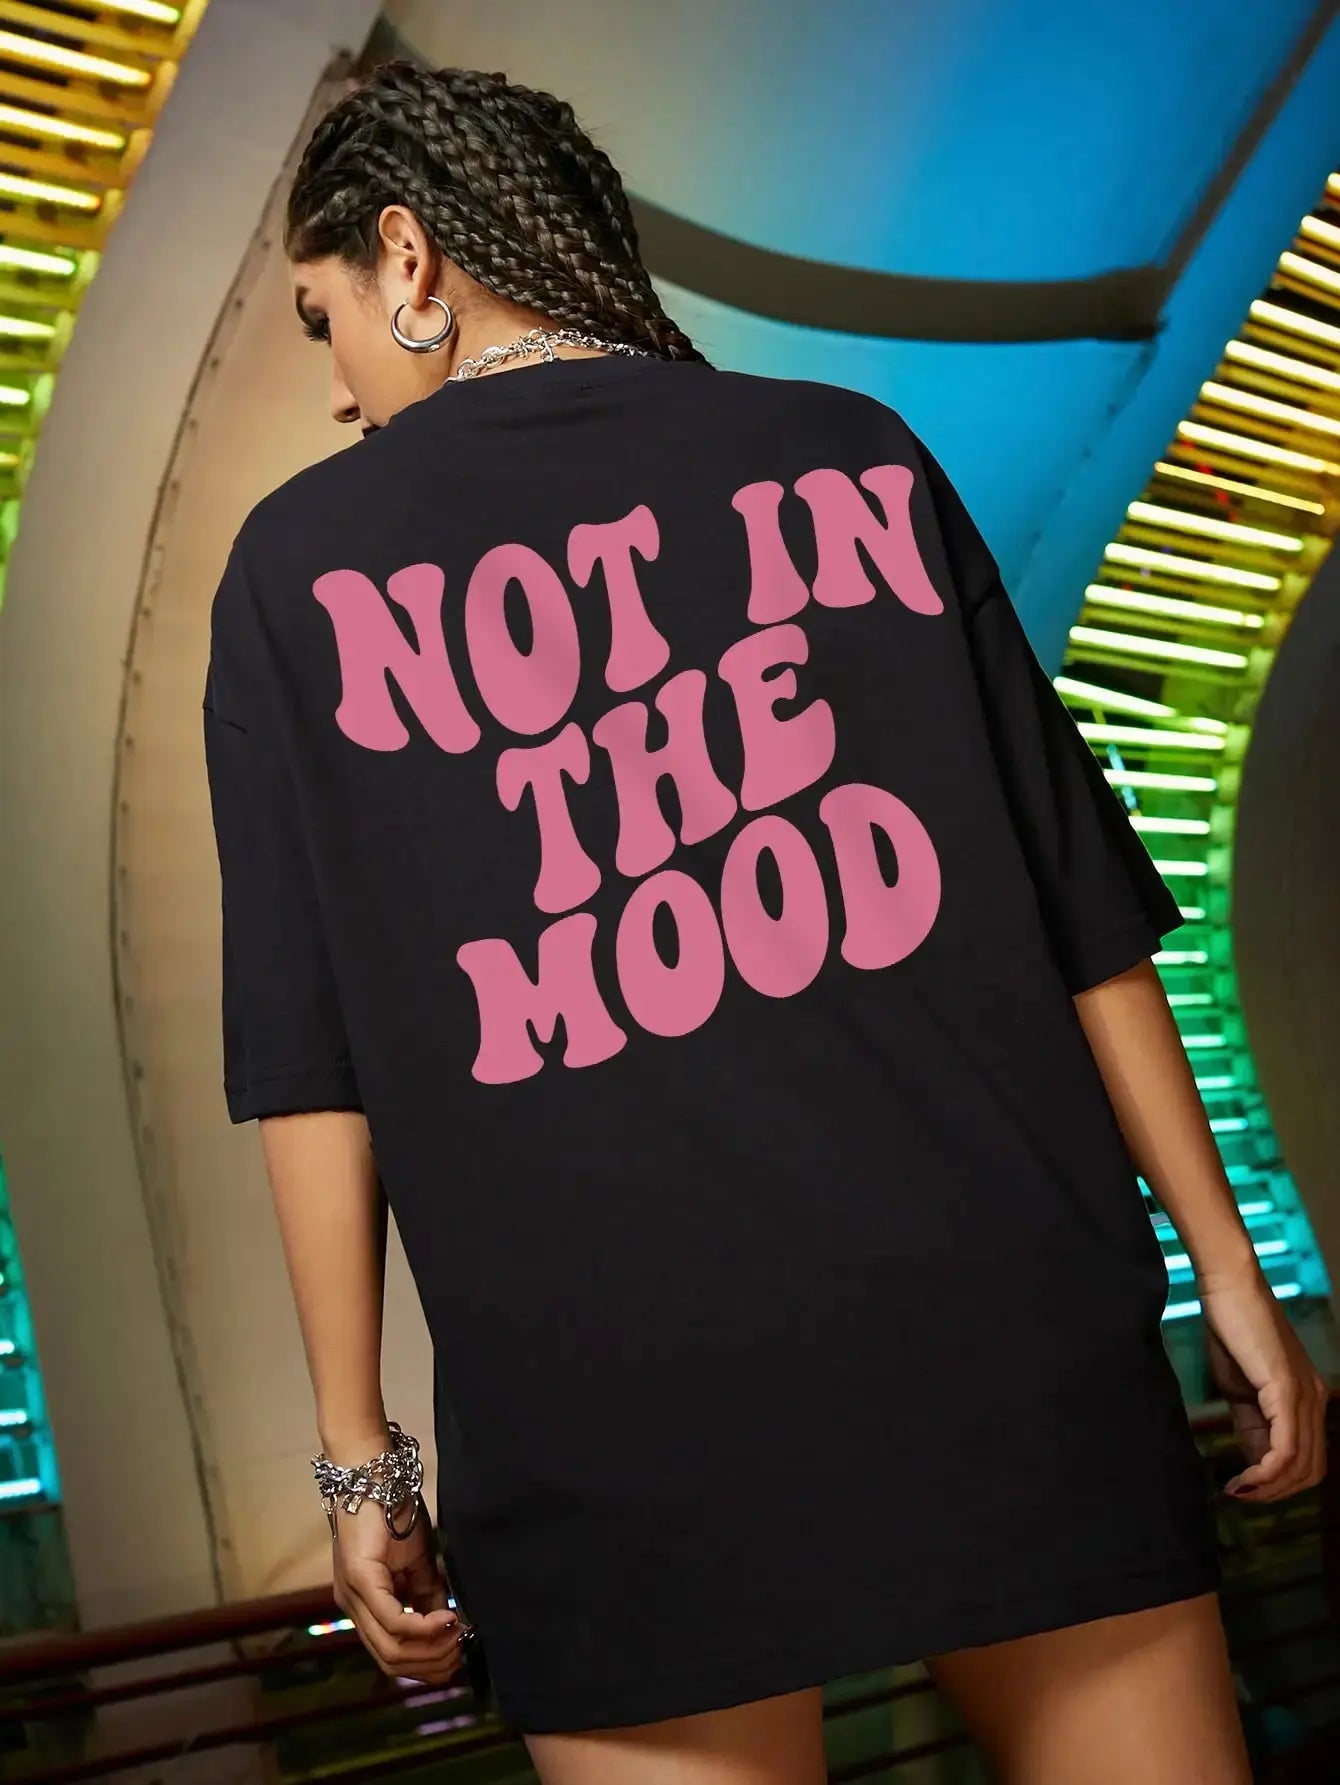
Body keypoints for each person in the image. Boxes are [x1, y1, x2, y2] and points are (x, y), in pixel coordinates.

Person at [200, 58, 1327, 1785]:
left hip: (617, 1416)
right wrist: (1229, 1269)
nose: (341, 384)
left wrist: (363, 1459)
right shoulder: (851, 451)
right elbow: (1080, 910)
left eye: (322, 319)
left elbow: (309, 1062)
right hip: (1006, 1343)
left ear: (410, 259)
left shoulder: (297, 575)